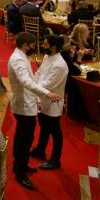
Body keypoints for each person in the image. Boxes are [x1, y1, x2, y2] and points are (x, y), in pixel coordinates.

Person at [7, 32, 61, 190]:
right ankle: (20, 173)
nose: (34, 48)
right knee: (25, 140)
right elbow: (25, 82)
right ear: (25, 45)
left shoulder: (20, 55)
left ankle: (19, 164)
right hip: (23, 105)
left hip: (26, 102)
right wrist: (46, 93)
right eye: (32, 45)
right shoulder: (18, 59)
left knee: (22, 136)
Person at [31, 35, 69, 170]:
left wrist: (33, 91)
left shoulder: (59, 65)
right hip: (43, 97)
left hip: (53, 102)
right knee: (44, 125)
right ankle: (40, 150)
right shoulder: (48, 57)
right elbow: (40, 74)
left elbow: (48, 83)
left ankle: (55, 160)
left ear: (54, 47)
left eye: (46, 44)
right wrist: (33, 84)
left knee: (55, 131)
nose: (43, 46)